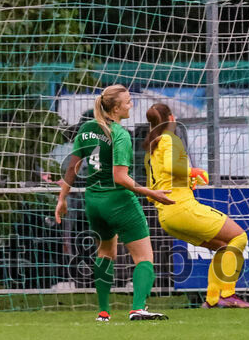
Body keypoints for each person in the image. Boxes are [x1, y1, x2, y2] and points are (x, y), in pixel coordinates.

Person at [55, 84, 175, 321]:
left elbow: (73, 166)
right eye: (129, 101)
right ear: (117, 107)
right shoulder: (120, 134)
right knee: (144, 257)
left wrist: (62, 198)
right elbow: (119, 177)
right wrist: (151, 193)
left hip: (94, 202)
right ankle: (138, 308)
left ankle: (103, 312)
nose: (132, 104)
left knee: (105, 252)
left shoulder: (87, 128)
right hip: (118, 200)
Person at [144, 103, 249, 309]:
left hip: (166, 217)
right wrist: (193, 172)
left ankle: (213, 299)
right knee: (239, 237)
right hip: (183, 208)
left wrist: (185, 182)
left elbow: (153, 189)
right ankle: (228, 294)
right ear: (172, 118)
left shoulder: (151, 149)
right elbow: (171, 167)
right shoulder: (169, 138)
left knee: (223, 246)